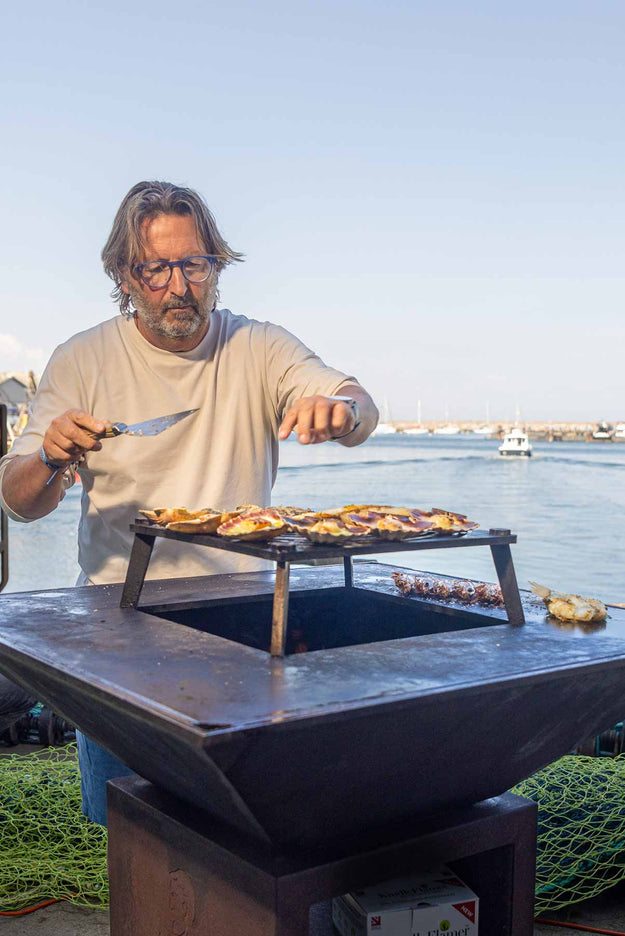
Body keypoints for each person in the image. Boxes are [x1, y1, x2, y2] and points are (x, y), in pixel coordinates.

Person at [0, 180, 378, 823]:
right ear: (125, 274)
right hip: (117, 624)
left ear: (215, 266)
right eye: (156, 269)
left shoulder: (257, 346)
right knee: (127, 826)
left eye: (195, 265)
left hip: (245, 624)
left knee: (243, 820)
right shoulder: (82, 358)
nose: (180, 287)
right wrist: (51, 455)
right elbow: (19, 501)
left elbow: (359, 403)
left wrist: (339, 411)